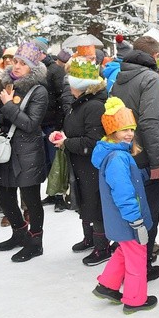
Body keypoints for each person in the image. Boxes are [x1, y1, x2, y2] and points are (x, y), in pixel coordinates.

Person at [110, 36, 159, 281]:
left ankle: (131, 257)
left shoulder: (120, 77)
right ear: (154, 56)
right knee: (149, 211)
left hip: (126, 153)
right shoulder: (151, 79)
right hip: (145, 156)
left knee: (132, 209)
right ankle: (142, 264)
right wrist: (157, 160)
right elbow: (149, 122)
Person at [90, 97, 157, 314]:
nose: (129, 134)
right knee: (137, 256)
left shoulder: (114, 154)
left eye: (131, 129)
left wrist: (145, 174)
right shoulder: (118, 158)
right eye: (123, 129)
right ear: (112, 131)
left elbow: (128, 180)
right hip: (128, 219)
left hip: (120, 221)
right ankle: (135, 300)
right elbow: (123, 193)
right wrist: (136, 221)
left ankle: (107, 285)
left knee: (124, 250)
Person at [0, 41, 48, 263]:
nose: (17, 66)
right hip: (6, 150)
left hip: (27, 153)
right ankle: (19, 232)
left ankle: (35, 242)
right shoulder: (8, 86)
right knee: (4, 194)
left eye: (23, 63)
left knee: (31, 199)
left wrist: (8, 105)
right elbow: (1, 115)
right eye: (15, 61)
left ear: (32, 67)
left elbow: (30, 124)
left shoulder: (39, 91)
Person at [49, 58, 109, 265]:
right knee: (84, 202)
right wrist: (61, 135)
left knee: (94, 204)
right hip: (80, 163)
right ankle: (89, 238)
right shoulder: (80, 103)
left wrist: (67, 142)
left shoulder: (93, 106)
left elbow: (93, 142)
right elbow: (75, 131)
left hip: (90, 165)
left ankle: (103, 247)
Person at [34, 36, 74, 210]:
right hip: (42, 123)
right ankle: (52, 193)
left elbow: (62, 98)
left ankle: (60, 196)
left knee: (56, 161)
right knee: (48, 162)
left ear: (42, 52)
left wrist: (60, 124)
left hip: (53, 124)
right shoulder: (36, 70)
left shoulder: (55, 70)